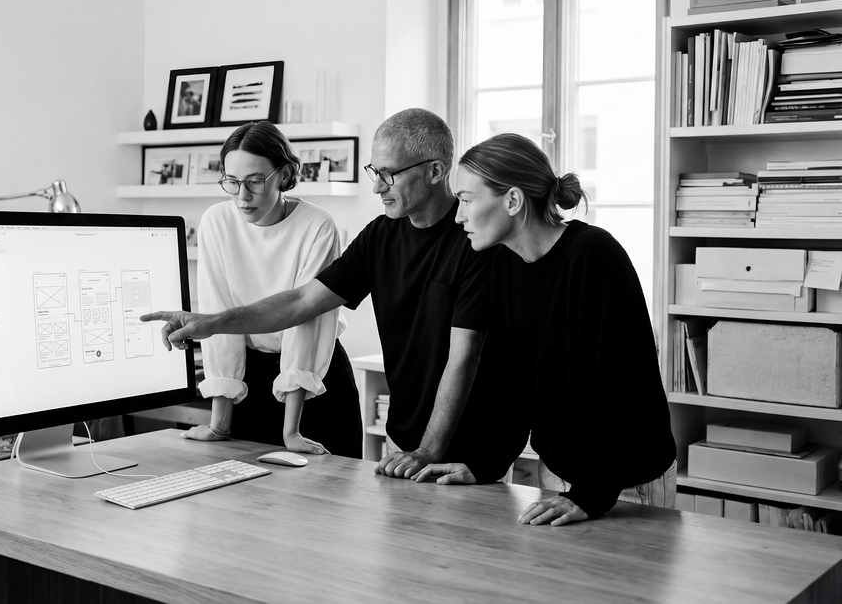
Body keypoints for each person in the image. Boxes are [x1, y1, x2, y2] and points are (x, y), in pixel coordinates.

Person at [143, 108, 492, 478]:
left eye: (388, 174)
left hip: (464, 450)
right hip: (407, 441)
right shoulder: (380, 236)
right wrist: (212, 323)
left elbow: (464, 356)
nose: (376, 187)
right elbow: (303, 301)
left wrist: (428, 450)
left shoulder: (476, 240)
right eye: (374, 172)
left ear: (436, 172)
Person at [414, 132, 677, 526]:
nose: (458, 216)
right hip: (561, 477)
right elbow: (512, 384)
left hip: (622, 483)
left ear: (513, 200)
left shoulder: (594, 255)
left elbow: (624, 387)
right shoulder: (503, 265)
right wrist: (483, 464)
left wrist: (591, 494)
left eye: (467, 200)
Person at [177, 121, 361, 457]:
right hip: (249, 380)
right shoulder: (216, 222)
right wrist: (220, 423)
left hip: (316, 381)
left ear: (285, 175)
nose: (242, 197)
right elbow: (221, 322)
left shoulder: (316, 225)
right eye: (231, 182)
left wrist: (291, 431)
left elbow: (305, 323)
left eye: (255, 182)